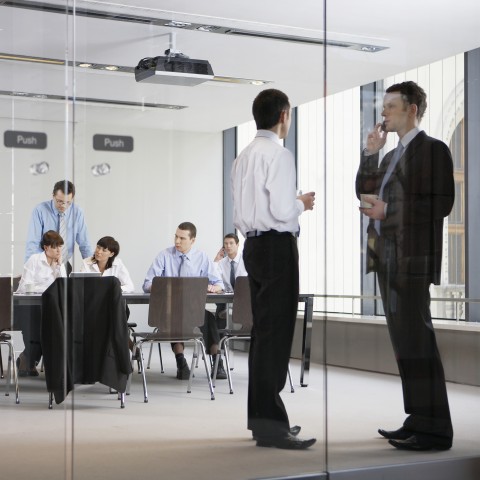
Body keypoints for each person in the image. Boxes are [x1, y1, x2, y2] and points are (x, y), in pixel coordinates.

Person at [356, 81, 454, 451]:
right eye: (384, 107)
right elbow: (362, 190)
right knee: (404, 345)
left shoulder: (433, 150)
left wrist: (390, 210)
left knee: (419, 342)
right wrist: (369, 153)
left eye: (391, 107)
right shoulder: (389, 155)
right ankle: (418, 418)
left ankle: (436, 430)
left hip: (412, 259)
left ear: (413, 109)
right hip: (387, 258)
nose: (384, 113)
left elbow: (442, 203)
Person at [231, 88, 316, 450]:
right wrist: (301, 203)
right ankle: (271, 427)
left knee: (264, 334)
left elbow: (241, 211)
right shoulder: (278, 155)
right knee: (276, 336)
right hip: (277, 247)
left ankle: (264, 420)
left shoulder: (242, 157)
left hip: (252, 246)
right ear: (284, 115)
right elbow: (282, 210)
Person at [142, 222, 227, 380]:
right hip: (169, 310)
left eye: (182, 238)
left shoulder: (202, 258)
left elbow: (219, 284)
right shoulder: (164, 256)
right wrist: (162, 286)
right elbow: (147, 284)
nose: (177, 241)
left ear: (192, 240)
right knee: (175, 318)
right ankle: (181, 363)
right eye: (176, 236)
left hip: (193, 310)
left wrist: (214, 287)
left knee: (208, 318)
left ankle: (217, 362)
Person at [15, 230, 67, 376]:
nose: (58, 250)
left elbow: (64, 287)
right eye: (55, 247)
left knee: (58, 322)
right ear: (46, 247)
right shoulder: (34, 260)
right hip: (27, 306)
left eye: (60, 247)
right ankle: (28, 359)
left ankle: (30, 360)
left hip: (48, 306)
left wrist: (59, 266)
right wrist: (47, 289)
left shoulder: (60, 264)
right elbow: (26, 286)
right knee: (39, 322)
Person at [25, 180, 92, 268]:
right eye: (60, 201)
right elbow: (33, 244)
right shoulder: (40, 210)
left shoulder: (77, 212)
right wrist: (31, 268)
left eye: (68, 202)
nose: (64, 206)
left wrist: (92, 270)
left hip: (64, 264)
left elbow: (85, 244)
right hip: (44, 264)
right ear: (53, 195)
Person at [213, 233, 248, 322]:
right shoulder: (221, 263)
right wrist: (216, 261)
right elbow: (214, 279)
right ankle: (220, 334)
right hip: (227, 299)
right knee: (220, 306)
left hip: (244, 298)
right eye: (226, 243)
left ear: (237, 245)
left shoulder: (246, 261)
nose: (228, 246)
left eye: (231, 243)